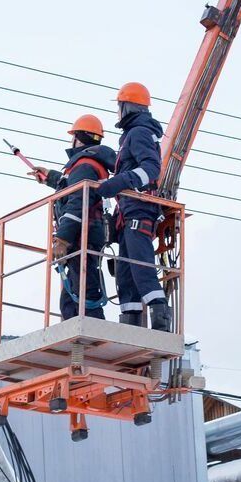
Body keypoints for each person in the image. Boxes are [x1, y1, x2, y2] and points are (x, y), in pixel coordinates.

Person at [96, 82, 172, 332]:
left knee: (140, 266)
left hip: (139, 209)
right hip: (128, 211)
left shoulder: (138, 132)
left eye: (119, 107)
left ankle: (160, 319)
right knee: (126, 273)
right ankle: (130, 322)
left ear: (127, 107)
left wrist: (117, 183)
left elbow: (151, 169)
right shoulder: (132, 135)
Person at [30, 114, 116, 320]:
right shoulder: (90, 165)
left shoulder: (83, 165)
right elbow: (71, 186)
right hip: (87, 233)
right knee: (72, 297)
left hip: (81, 235)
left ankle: (93, 327)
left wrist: (62, 239)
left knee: (84, 290)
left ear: (78, 138)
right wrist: (50, 177)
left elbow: (77, 203)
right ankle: (83, 326)